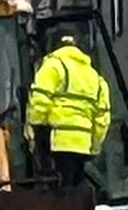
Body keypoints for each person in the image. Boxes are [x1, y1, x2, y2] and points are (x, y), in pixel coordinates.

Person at [25, 29, 111, 187]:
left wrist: (35, 130)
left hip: (58, 142)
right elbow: (102, 119)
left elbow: (40, 100)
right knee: (76, 188)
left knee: (60, 189)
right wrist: (94, 147)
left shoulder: (53, 66)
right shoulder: (95, 77)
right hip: (83, 146)